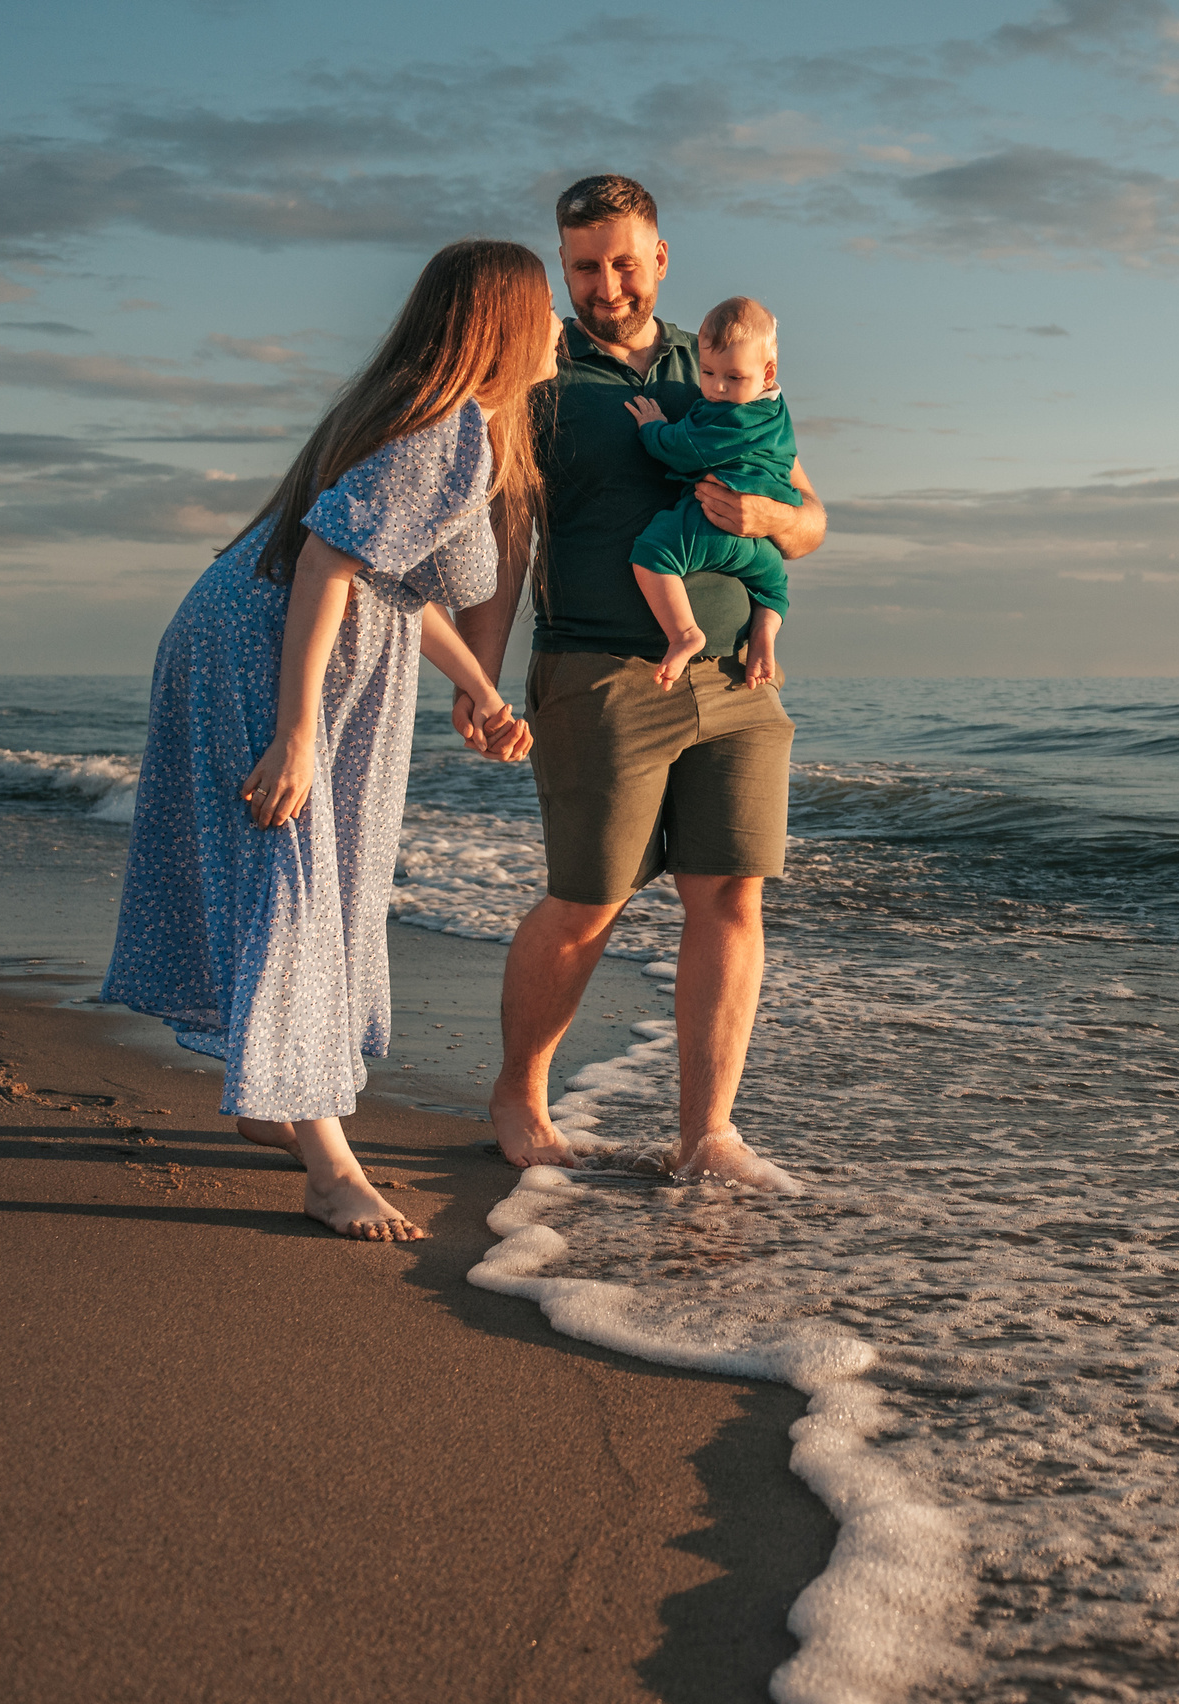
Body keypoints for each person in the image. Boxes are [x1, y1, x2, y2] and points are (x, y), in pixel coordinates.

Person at [103, 239, 556, 1241]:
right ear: (506, 327)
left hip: (263, 633)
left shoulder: (432, 415)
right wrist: (295, 734)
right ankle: (327, 1162)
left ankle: (278, 1100)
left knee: (312, 873)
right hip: (267, 651)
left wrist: (479, 687)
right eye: (546, 308)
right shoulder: (441, 431)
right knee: (296, 878)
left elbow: (388, 580)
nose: (560, 327)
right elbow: (323, 566)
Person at [448, 174, 826, 1189]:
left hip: (737, 678)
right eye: (585, 266)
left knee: (732, 894)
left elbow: (809, 518)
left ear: (660, 257)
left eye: (625, 262)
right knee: (588, 898)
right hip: (599, 670)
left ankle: (708, 1135)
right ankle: (519, 1097)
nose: (607, 285)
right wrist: (479, 678)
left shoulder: (722, 357)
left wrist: (771, 522)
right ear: (562, 266)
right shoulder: (535, 373)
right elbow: (507, 537)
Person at [624, 294, 795, 688]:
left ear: (767, 372)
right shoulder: (775, 410)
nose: (717, 387)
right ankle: (764, 632)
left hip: (713, 525)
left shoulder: (731, 417)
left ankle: (684, 633)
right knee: (774, 588)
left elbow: (684, 450)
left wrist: (653, 428)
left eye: (733, 378)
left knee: (652, 554)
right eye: (706, 372)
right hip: (762, 545)